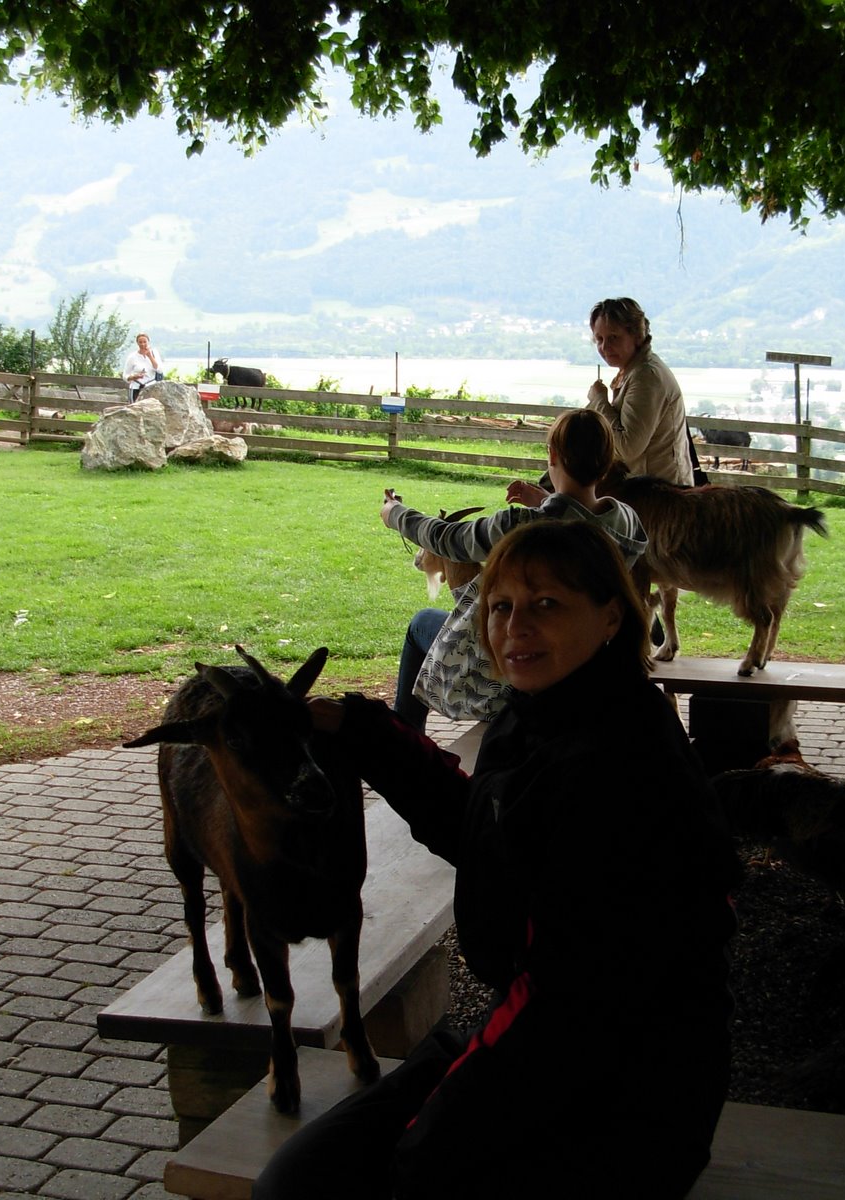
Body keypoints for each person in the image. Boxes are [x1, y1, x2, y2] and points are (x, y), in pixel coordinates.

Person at [255, 519, 740, 1200]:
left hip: (633, 1090)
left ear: (610, 616)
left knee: (371, 1179)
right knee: (298, 1178)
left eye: (546, 604)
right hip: (550, 1045)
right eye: (500, 606)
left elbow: (571, 994)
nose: (515, 627)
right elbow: (484, 832)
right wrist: (364, 733)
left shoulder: (624, 763)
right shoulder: (542, 714)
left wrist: (431, 1135)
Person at [384, 407, 646, 733]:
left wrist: (395, 514)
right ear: (607, 460)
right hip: (584, 663)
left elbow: (447, 539)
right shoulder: (627, 522)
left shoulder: (524, 526)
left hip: (517, 668)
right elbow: (579, 519)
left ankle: (406, 739)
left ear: (552, 455)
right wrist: (546, 500)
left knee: (421, 623)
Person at [585, 296, 694, 485]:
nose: (604, 347)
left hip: (660, 494)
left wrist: (599, 401)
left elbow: (628, 448)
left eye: (613, 338)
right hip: (651, 490)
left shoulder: (646, 377)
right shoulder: (634, 370)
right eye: (599, 339)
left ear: (636, 335)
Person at [122, 332, 165, 401]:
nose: (142, 344)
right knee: (134, 407)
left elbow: (160, 370)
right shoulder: (132, 357)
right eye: (140, 342)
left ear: (148, 342)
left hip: (151, 387)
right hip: (136, 387)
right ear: (137, 343)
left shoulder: (154, 353)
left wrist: (150, 356)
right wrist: (134, 377)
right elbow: (125, 375)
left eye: (145, 342)